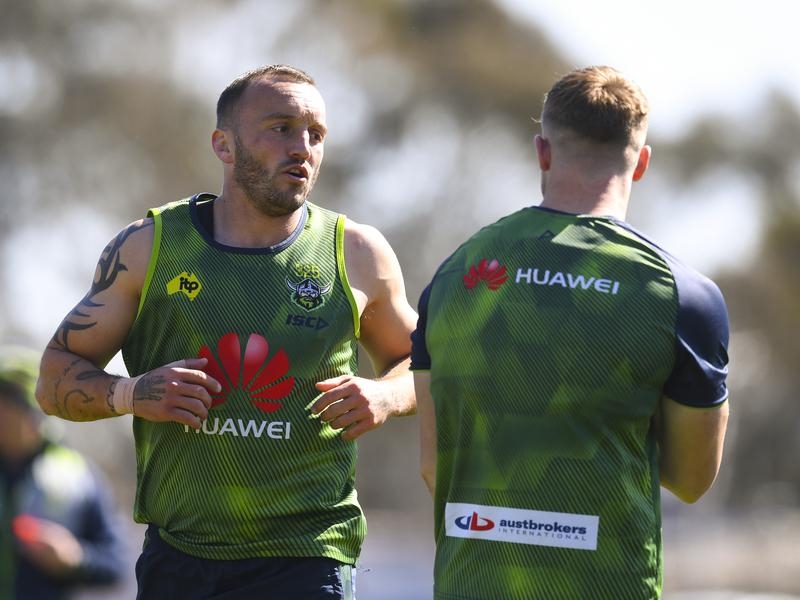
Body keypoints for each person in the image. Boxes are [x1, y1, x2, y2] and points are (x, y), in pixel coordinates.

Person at [35, 64, 418, 600]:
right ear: (224, 145)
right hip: (180, 555)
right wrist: (130, 393)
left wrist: (385, 396)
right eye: (281, 128)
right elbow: (53, 379)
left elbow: (424, 365)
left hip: (308, 555)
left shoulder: (357, 253)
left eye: (316, 134)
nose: (302, 148)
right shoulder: (148, 248)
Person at [411, 65, 730, 599]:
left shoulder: (455, 272)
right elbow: (692, 480)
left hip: (475, 583)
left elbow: (432, 465)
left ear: (542, 152)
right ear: (642, 163)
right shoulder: (686, 295)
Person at [0, 345, 125, 600]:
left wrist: (75, 558)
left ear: (35, 415)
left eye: (9, 409)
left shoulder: (77, 476)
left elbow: (115, 564)